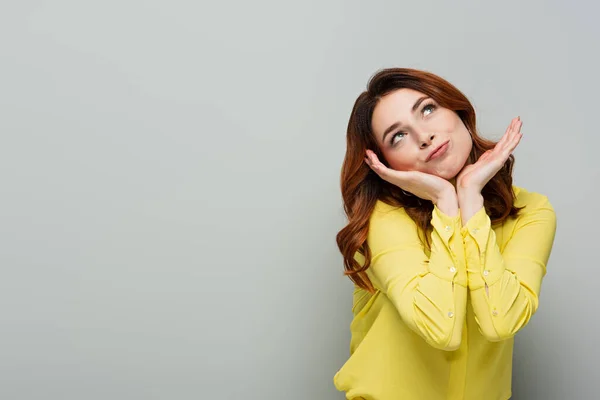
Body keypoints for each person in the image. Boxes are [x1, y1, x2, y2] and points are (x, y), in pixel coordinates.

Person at [333, 68, 557, 400]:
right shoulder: (383, 217)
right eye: (398, 136)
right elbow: (440, 329)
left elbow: (502, 322)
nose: (424, 137)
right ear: (386, 162)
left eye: (427, 109)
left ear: (458, 111)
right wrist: (445, 202)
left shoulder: (531, 211)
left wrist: (470, 199)